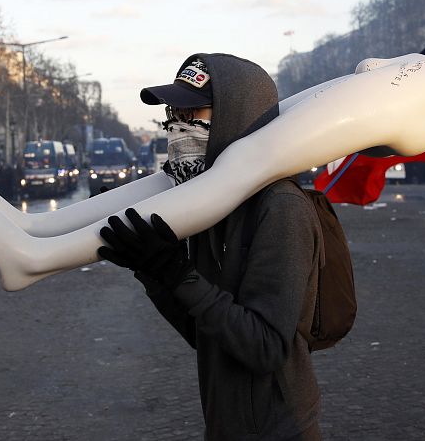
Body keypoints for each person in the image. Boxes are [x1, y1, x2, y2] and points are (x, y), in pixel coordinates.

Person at [98, 54, 323, 440]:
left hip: (278, 431)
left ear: (236, 117)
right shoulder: (211, 204)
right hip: (224, 427)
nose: (177, 123)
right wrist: (152, 270)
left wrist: (176, 274)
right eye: (174, 111)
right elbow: (202, 332)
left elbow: (265, 348)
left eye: (192, 111)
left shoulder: (281, 207)